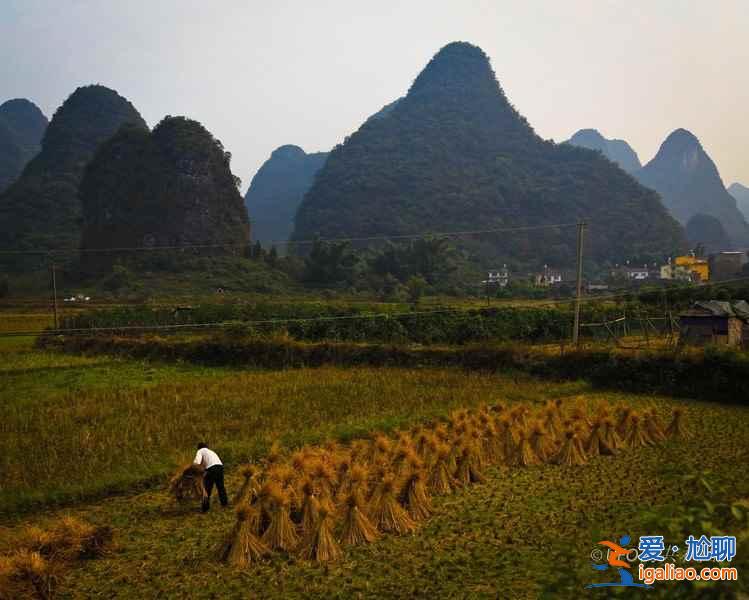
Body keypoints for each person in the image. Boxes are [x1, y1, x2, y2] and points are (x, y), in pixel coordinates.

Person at [194, 442, 228, 512]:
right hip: (220, 467)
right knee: (220, 486)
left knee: (207, 488)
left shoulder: (200, 451)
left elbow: (196, 463)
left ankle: (205, 508)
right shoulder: (211, 451)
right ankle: (224, 504)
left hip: (211, 468)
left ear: (199, 448)